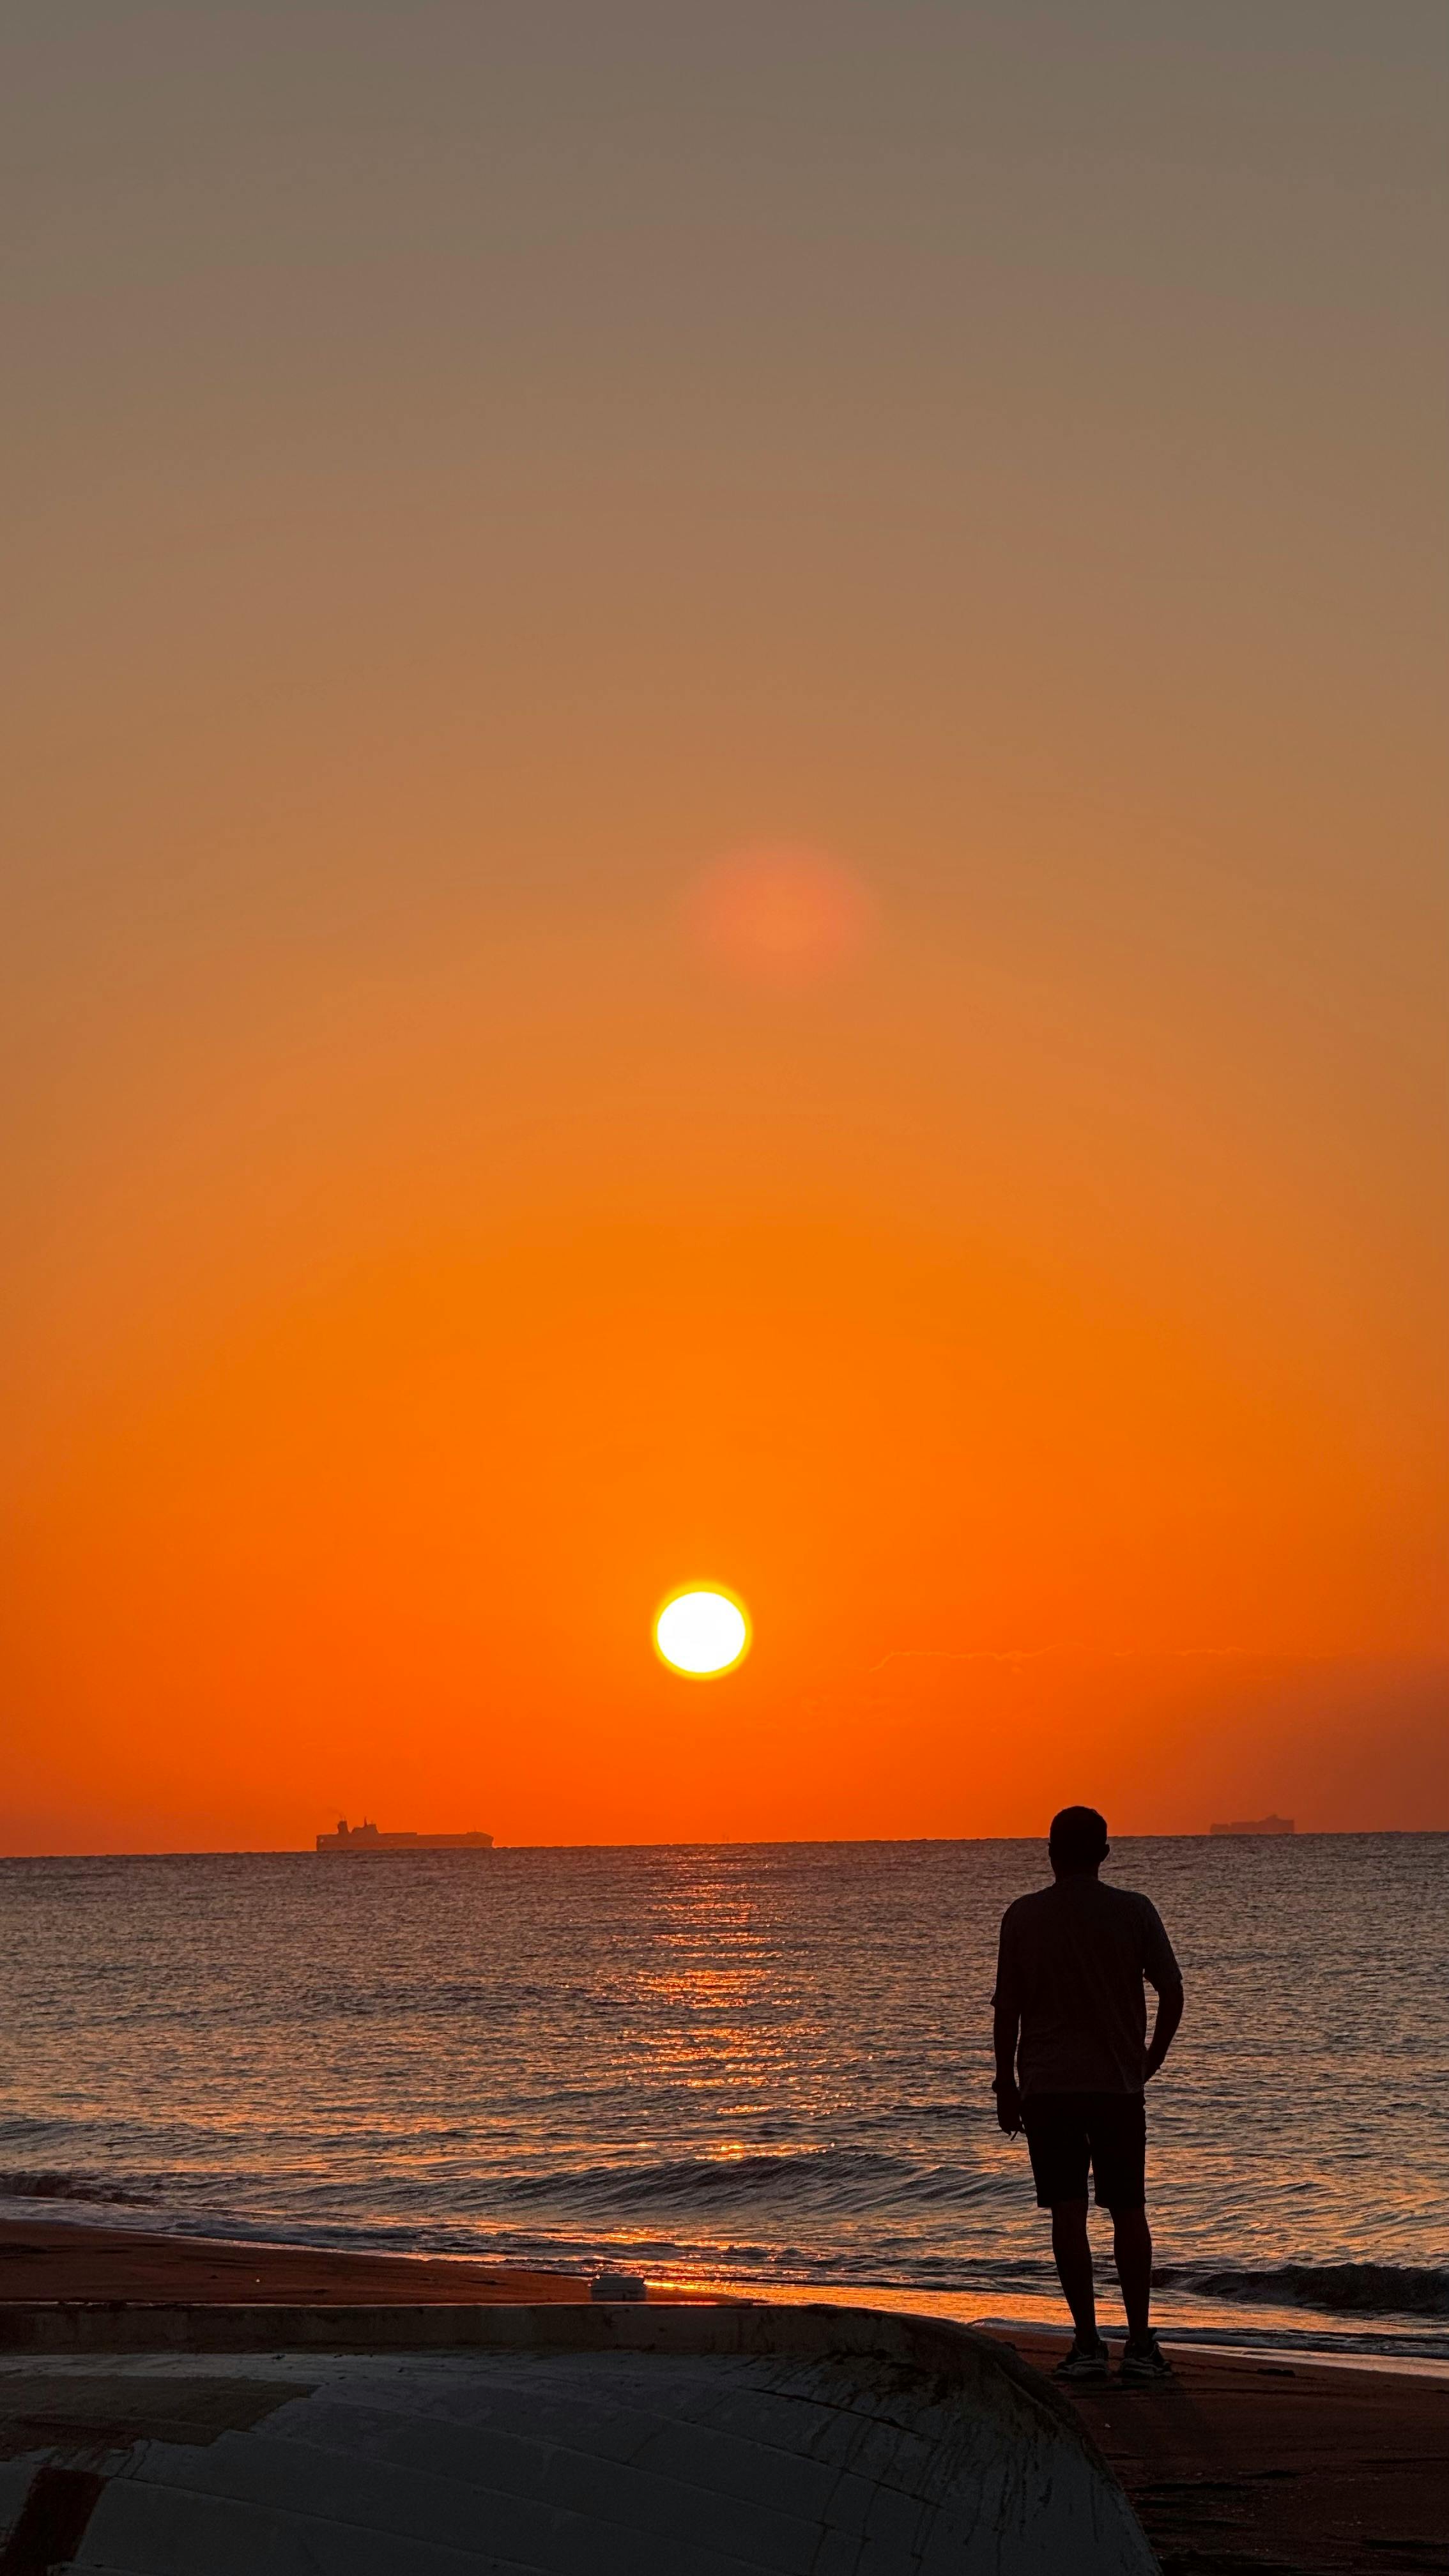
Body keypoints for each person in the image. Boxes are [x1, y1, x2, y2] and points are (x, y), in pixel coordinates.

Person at [992, 1805, 1184, 2384]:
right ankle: (1141, 2344)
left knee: (1068, 2213)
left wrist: (1006, 2083)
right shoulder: (1134, 1911)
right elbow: (1172, 1991)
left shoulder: (1024, 1915)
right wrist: (1152, 2058)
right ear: (1103, 1854)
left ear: (1051, 1853)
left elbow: (1008, 2010)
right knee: (1129, 2211)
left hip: (1048, 2086)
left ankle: (1087, 2342)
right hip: (1116, 2084)